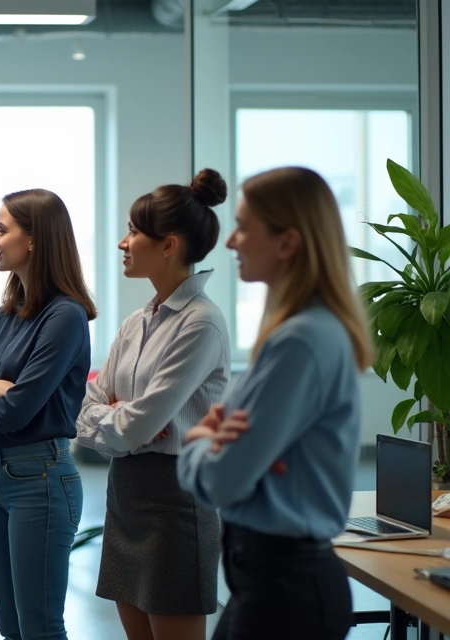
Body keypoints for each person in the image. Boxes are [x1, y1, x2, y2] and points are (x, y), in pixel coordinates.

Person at [177, 166, 373, 640]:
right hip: (269, 582)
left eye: (244, 226)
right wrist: (221, 447)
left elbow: (222, 479)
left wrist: (196, 444)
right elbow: (236, 465)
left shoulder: (300, 342)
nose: (231, 241)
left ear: (287, 243)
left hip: (286, 591)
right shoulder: (300, 333)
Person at [74, 170, 230, 640]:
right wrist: (119, 418)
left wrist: (123, 421)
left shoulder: (201, 324)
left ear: (169, 245)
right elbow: (87, 409)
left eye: (134, 231)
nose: (124, 242)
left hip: (176, 503)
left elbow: (131, 428)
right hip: (126, 493)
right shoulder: (137, 321)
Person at [0, 188, 95, 640]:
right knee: (10, 626)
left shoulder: (65, 316)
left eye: (2, 229)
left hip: (40, 480)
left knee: (40, 627)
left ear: (34, 241)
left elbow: (15, 412)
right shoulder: (5, 315)